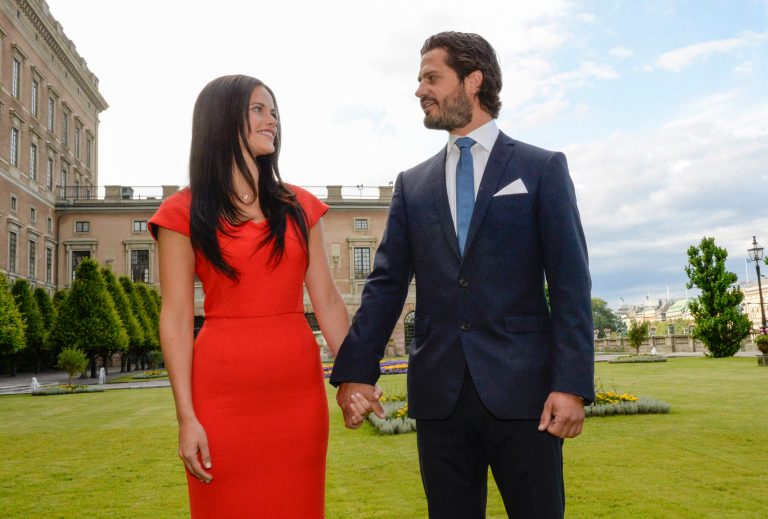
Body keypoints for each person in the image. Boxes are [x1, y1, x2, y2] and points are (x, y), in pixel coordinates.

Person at [330, 32, 594, 518]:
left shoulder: (541, 169)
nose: (419, 90)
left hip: (525, 397)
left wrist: (572, 383)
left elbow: (571, 284)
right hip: (439, 397)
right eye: (419, 79)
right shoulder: (413, 184)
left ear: (473, 81)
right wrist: (354, 372)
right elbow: (386, 284)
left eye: (431, 77)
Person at [150, 75, 360, 518]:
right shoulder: (181, 212)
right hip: (220, 396)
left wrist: (354, 375)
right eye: (259, 110)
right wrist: (187, 417)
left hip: (297, 396)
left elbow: (327, 298)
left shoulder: (301, 205)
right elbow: (175, 317)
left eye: (274, 111)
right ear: (223, 122)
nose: (273, 121)